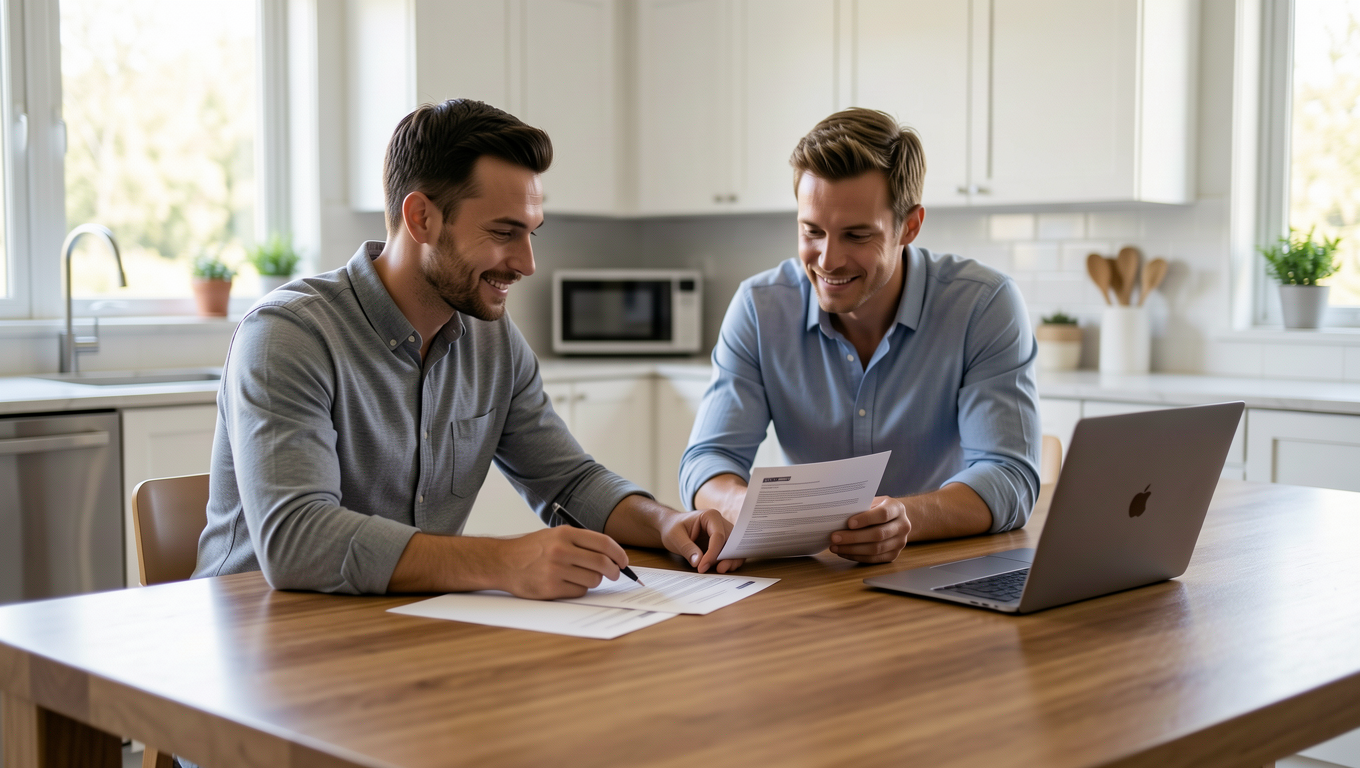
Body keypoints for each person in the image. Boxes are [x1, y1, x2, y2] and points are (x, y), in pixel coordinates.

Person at [194, 99, 735, 599]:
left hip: (398, 629)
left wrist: (665, 523)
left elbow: (569, 481)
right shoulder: (288, 335)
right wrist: (504, 562)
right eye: (504, 232)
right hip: (256, 638)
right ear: (421, 218)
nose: (526, 264)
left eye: (532, 234)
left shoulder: (492, 340)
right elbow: (297, 541)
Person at [680, 107, 1040, 567]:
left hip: (938, 568)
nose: (828, 260)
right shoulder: (759, 308)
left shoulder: (983, 305)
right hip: (812, 579)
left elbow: (1009, 477)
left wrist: (904, 519)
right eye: (812, 231)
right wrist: (752, 513)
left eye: (856, 235)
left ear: (909, 226)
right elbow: (707, 461)